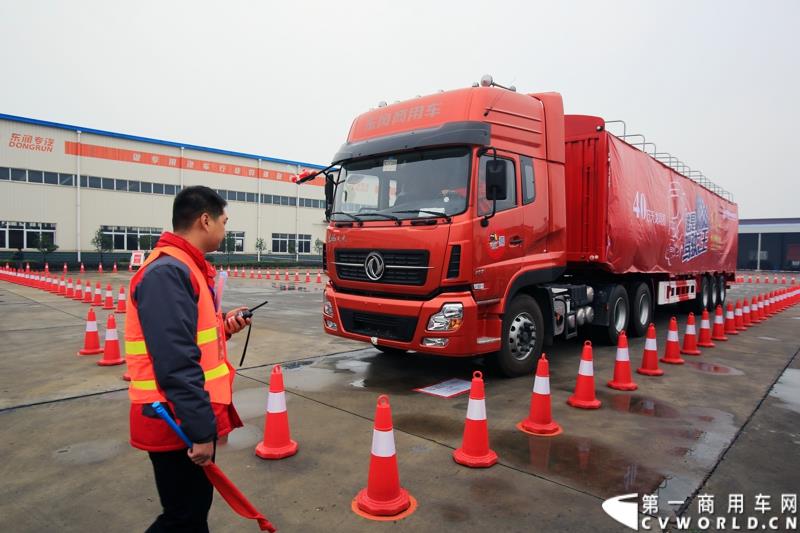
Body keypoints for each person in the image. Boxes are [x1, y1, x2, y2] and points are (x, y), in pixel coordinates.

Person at [125, 186, 251, 532]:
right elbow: (176, 362)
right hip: (173, 418)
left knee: (192, 514)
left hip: (180, 413)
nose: (225, 231)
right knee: (183, 517)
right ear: (205, 220)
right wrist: (199, 431)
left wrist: (225, 328)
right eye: (224, 222)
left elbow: (189, 339)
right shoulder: (169, 272)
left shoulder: (186, 268)